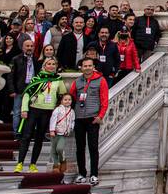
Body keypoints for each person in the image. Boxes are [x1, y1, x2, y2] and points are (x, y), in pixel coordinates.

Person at [15, 57, 68, 173]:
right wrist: (24, 109)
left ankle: (33, 164)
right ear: (44, 65)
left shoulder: (58, 79)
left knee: (39, 138)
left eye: (54, 64)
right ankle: (20, 163)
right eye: (49, 64)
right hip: (34, 109)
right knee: (27, 136)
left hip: (48, 111)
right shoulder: (37, 78)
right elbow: (27, 94)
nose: (51, 66)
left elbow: (63, 95)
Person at [69, 57, 109, 185]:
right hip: (79, 118)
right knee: (80, 147)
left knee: (93, 147)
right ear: (81, 67)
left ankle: (94, 174)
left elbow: (104, 100)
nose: (87, 68)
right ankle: (81, 173)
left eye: (89, 66)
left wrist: (100, 116)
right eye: (84, 66)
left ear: (93, 67)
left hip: (93, 119)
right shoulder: (77, 81)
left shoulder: (101, 80)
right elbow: (72, 97)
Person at [47, 92, 75, 175]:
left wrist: (70, 129)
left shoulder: (72, 111)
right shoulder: (58, 109)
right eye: (65, 99)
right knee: (54, 150)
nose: (67, 101)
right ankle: (56, 166)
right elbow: (53, 119)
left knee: (59, 148)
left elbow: (72, 122)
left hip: (63, 134)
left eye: (69, 100)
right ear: (61, 101)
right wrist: (52, 130)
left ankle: (63, 160)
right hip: (55, 133)